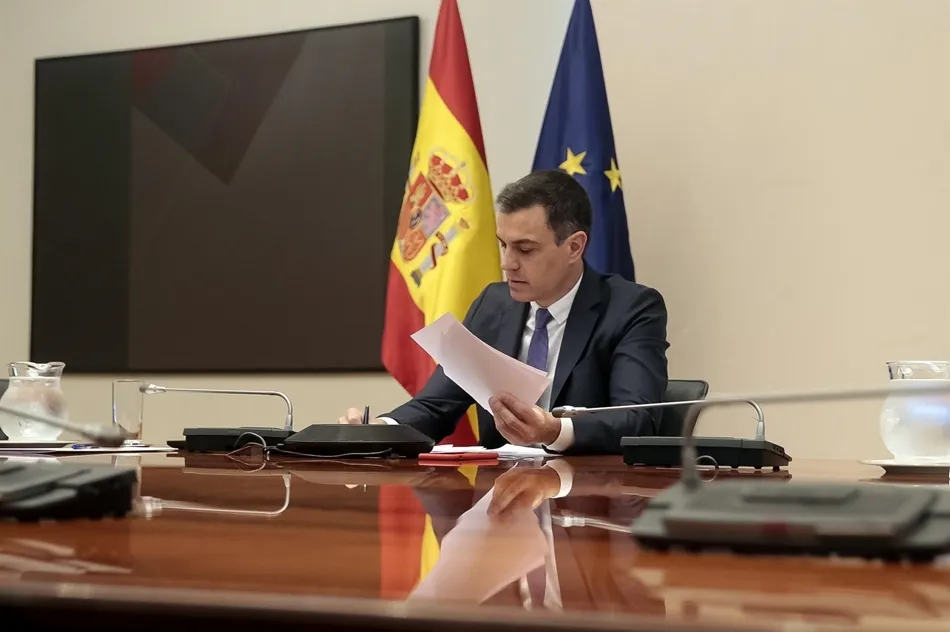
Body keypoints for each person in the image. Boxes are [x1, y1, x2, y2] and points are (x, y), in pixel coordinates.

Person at [340, 169, 669, 455]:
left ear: (574, 247)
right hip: (502, 501)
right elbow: (436, 405)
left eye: (525, 249)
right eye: (503, 245)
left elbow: (638, 419)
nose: (506, 264)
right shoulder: (494, 304)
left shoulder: (630, 308)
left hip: (587, 503)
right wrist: (379, 430)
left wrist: (553, 431)